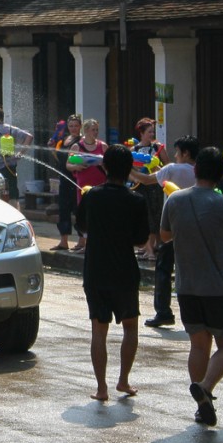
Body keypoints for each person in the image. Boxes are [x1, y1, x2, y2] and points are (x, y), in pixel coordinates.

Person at [160, 147, 223, 427]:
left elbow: (164, 236)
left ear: (196, 170)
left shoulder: (174, 200)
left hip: (186, 287)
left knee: (199, 346)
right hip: (219, 288)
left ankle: (202, 404)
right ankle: (207, 387)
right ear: (221, 175)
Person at [75, 145, 148, 402]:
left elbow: (81, 226)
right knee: (130, 328)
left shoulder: (92, 196)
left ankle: (101, 388)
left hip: (95, 270)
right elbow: (140, 240)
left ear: (104, 167)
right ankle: (124, 380)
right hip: (125, 271)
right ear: (130, 170)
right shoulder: (137, 200)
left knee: (99, 330)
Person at [130, 135, 200, 328]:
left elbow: (145, 180)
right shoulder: (199, 171)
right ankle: (196, 313)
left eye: (177, 152)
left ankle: (163, 312)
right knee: (191, 269)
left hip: (173, 224)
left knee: (163, 269)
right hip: (195, 225)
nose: (175, 156)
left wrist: (128, 168)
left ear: (185, 153)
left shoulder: (171, 169)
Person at [130, 118, 169, 261]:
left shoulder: (158, 149)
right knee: (146, 217)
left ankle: (155, 246)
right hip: (140, 186)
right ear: (141, 133)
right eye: (149, 132)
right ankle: (149, 249)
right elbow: (129, 170)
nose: (152, 134)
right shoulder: (133, 150)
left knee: (157, 214)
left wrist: (156, 167)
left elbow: (167, 166)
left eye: (153, 131)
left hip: (155, 185)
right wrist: (134, 178)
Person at [66, 118, 107, 252]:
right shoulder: (77, 146)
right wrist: (77, 166)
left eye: (97, 130)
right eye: (93, 130)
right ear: (86, 130)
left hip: (100, 183)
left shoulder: (103, 146)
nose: (95, 132)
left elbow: (109, 165)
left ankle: (100, 242)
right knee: (86, 213)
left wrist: (104, 165)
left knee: (101, 213)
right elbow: (68, 165)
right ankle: (88, 243)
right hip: (83, 184)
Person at [0, 106, 34, 209]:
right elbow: (29, 137)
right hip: (11, 167)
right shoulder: (11, 129)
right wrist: (20, 153)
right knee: (13, 194)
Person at [49, 115, 82, 251]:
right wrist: (51, 147)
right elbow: (58, 158)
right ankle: (64, 242)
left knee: (78, 209)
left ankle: (82, 241)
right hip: (64, 178)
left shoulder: (81, 142)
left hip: (76, 179)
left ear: (80, 126)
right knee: (63, 209)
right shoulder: (63, 140)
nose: (73, 128)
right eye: (71, 126)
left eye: (76, 125)